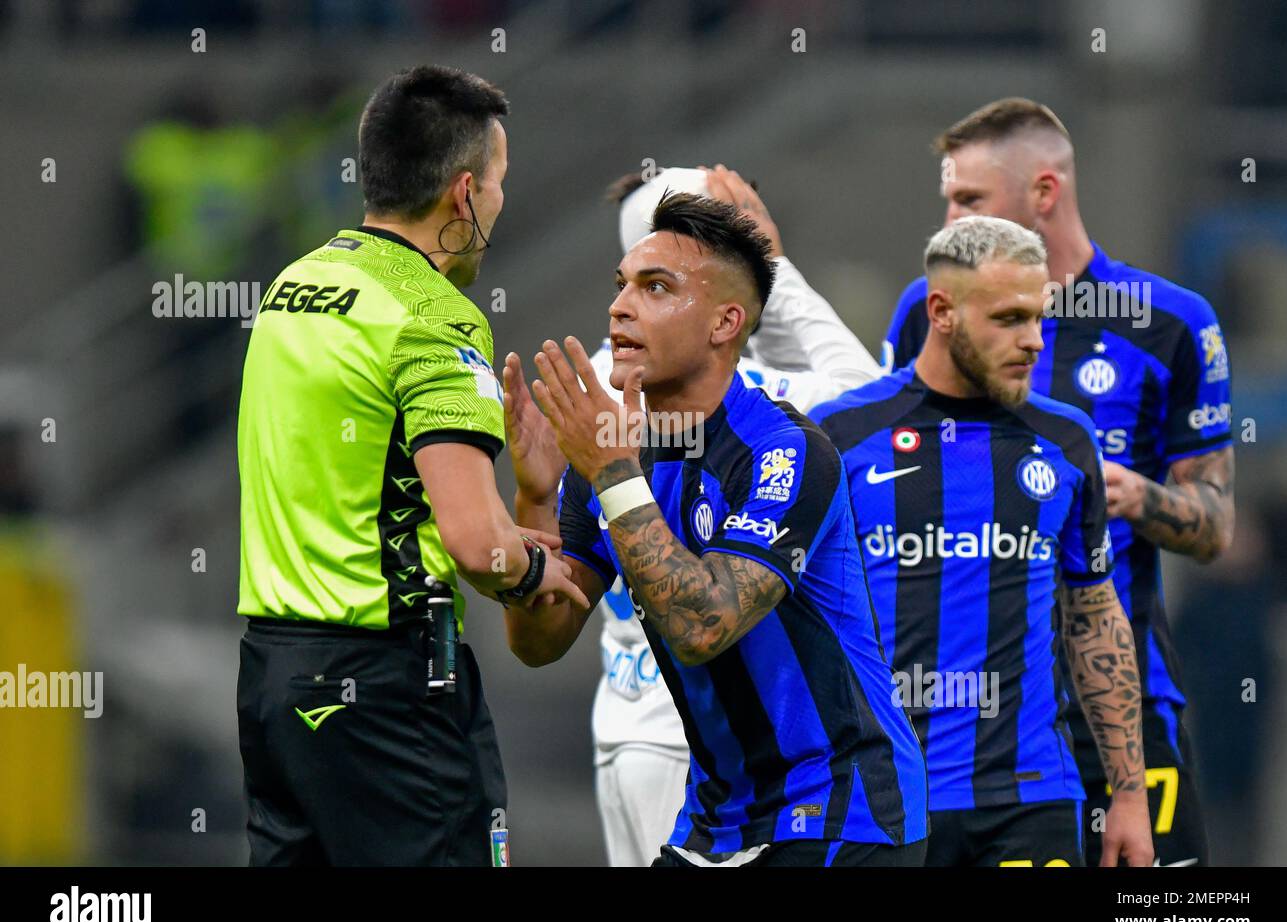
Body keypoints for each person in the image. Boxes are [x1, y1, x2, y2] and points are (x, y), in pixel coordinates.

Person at [503, 192, 928, 866]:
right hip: (715, 818)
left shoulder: (784, 450)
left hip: (839, 810)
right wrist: (533, 497)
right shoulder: (610, 453)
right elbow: (539, 641)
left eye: (656, 287)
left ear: (726, 321)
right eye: (621, 287)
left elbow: (704, 625)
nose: (619, 306)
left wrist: (613, 474)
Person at [235, 65, 585, 866]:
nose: (500, 204)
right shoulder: (433, 315)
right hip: (387, 686)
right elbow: (472, 545)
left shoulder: (296, 287)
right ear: (463, 194)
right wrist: (539, 573)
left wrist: (529, 494)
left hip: (273, 678)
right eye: (499, 183)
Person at [882, 99, 1233, 866]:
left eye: (969, 199)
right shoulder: (926, 310)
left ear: (1043, 193)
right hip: (967, 722)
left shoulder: (1169, 322)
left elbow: (1216, 526)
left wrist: (1134, 495)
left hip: (1123, 703)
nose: (948, 217)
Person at [813, 216, 1153, 866]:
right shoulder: (839, 436)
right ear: (942, 312)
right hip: (878, 806)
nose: (1033, 342)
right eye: (1008, 319)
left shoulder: (1067, 439)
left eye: (1038, 319)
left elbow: (1093, 617)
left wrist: (1129, 798)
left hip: (1031, 802)